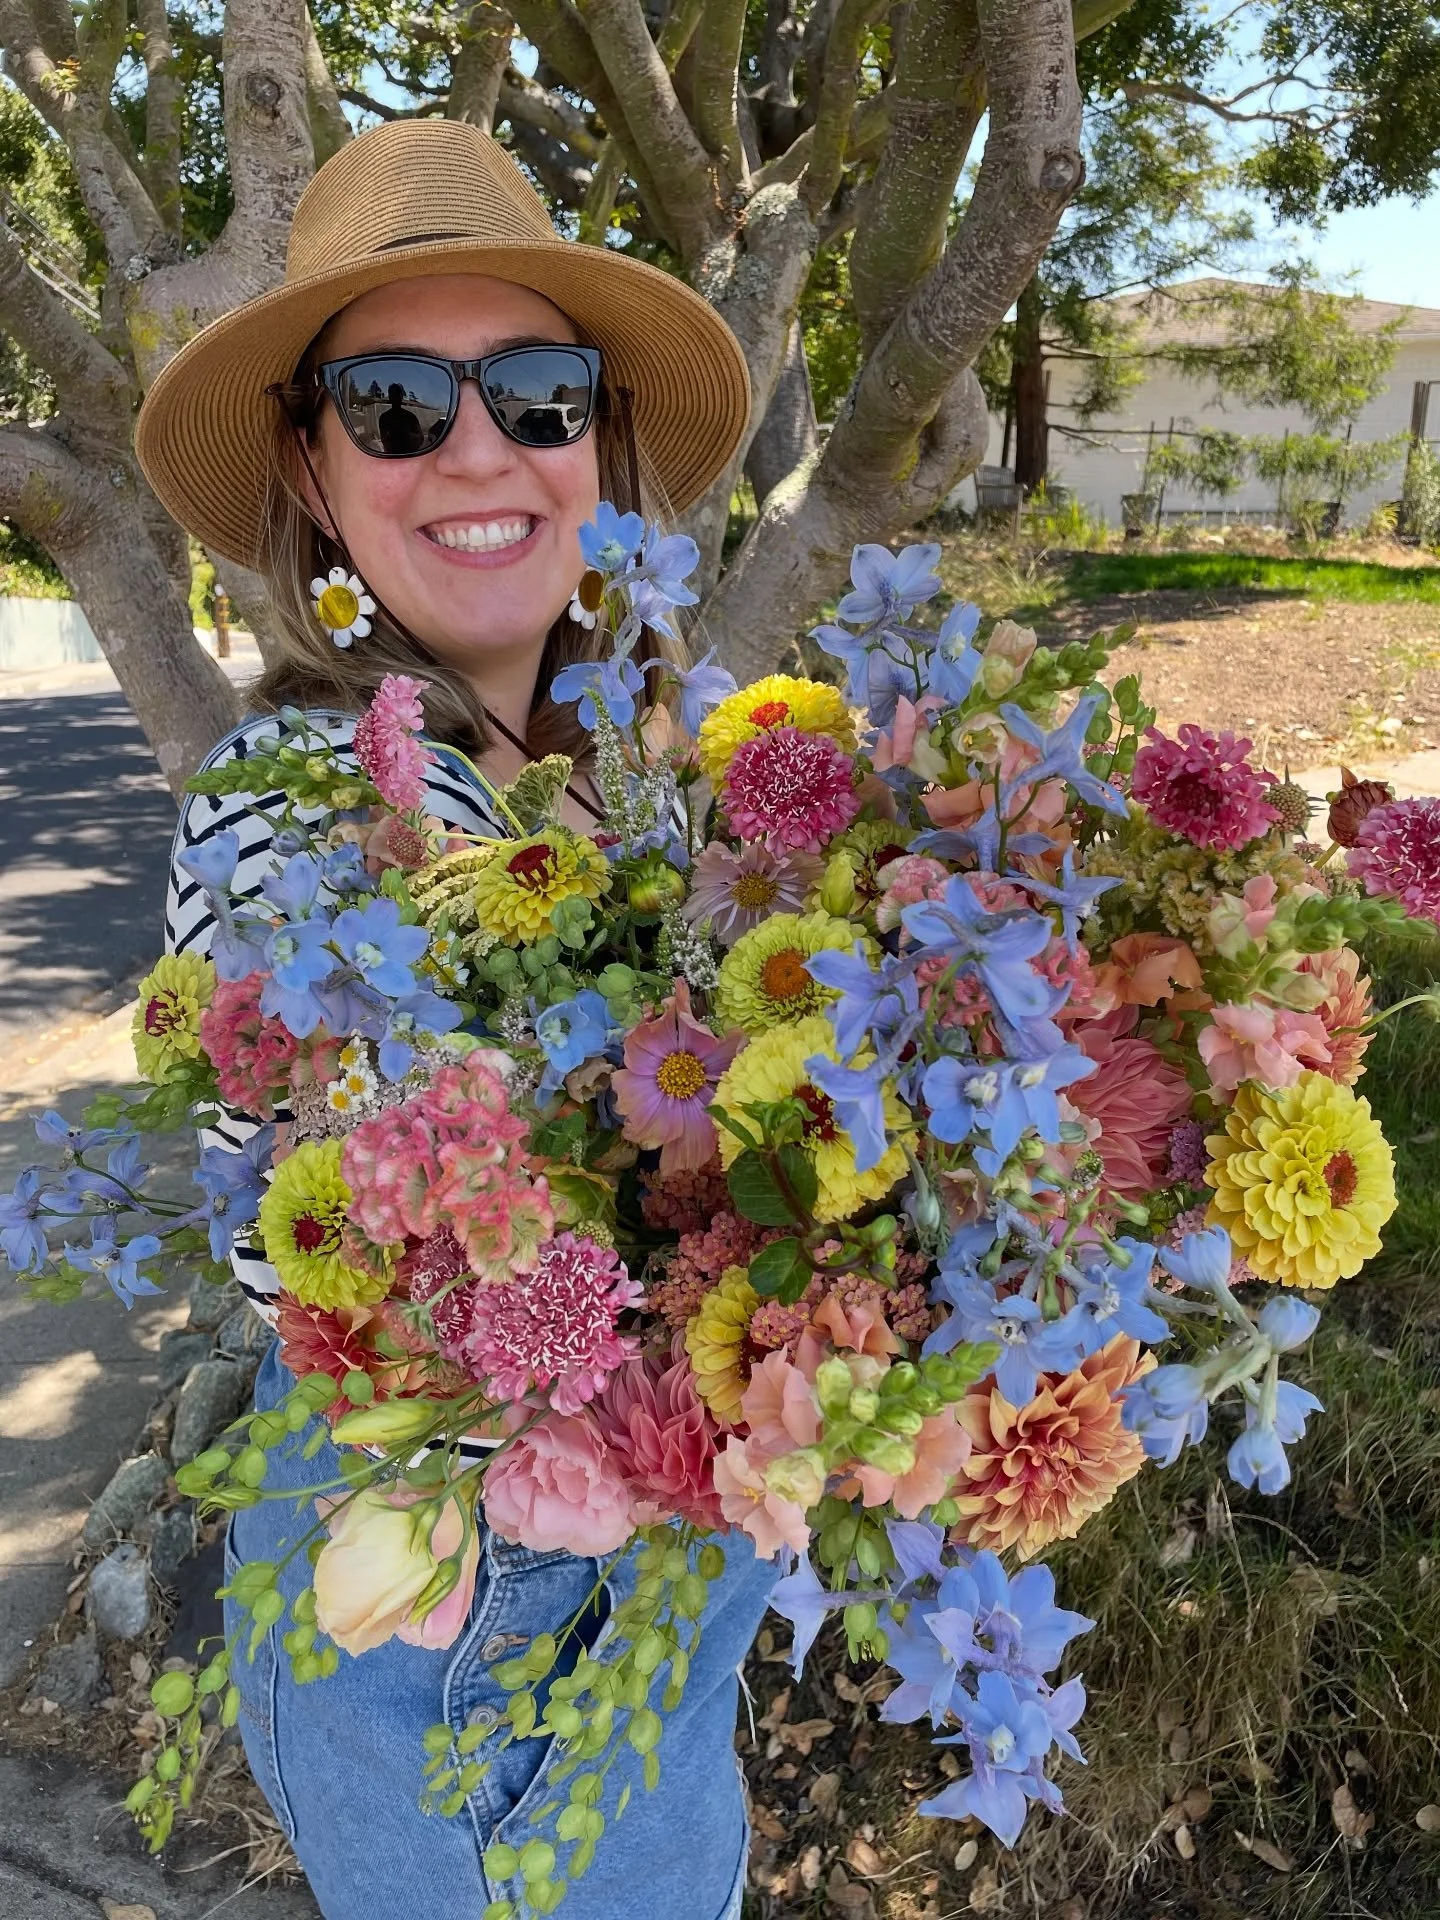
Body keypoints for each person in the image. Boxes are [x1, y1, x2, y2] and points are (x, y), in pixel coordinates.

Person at [134, 118, 767, 1920]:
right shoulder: (293, 807)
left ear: (602, 445)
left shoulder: (638, 792)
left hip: (638, 1597)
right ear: (317, 477)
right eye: (399, 404)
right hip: (455, 1618)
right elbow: (399, 1275)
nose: (480, 449)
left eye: (541, 394)